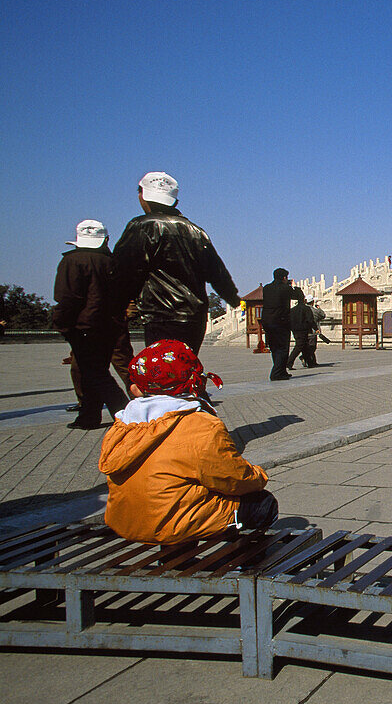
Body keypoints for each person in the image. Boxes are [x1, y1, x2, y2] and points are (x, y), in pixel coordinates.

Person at [100, 340, 277, 544]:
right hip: (171, 525)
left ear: (136, 390)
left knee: (182, 490)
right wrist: (258, 476)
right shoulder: (200, 424)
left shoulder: (123, 423)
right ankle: (245, 565)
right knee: (262, 503)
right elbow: (234, 479)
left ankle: (175, 558)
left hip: (124, 521)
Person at [112, 172, 240, 353]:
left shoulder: (143, 226)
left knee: (164, 373)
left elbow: (123, 271)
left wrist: (116, 305)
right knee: (185, 370)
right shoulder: (196, 231)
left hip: (162, 314)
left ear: (142, 195)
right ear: (175, 202)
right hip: (195, 317)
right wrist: (234, 300)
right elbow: (217, 274)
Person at [52, 220, 129, 429]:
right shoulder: (113, 262)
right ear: (105, 240)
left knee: (95, 373)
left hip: (83, 327)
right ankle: (89, 416)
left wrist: (62, 324)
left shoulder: (72, 261)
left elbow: (67, 297)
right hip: (110, 326)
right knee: (95, 371)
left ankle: (124, 412)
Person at [261, 268, 304, 381]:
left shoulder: (266, 288)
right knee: (282, 348)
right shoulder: (285, 288)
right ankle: (276, 373)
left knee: (275, 347)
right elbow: (299, 296)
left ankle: (282, 371)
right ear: (284, 277)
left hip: (267, 321)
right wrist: (294, 286)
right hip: (280, 321)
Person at [287, 295, 318, 369]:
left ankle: (310, 363)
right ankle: (289, 362)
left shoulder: (292, 310)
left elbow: (289, 320)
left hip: (295, 330)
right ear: (304, 301)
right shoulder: (306, 309)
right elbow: (310, 320)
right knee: (298, 347)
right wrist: (315, 328)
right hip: (303, 330)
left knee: (305, 346)